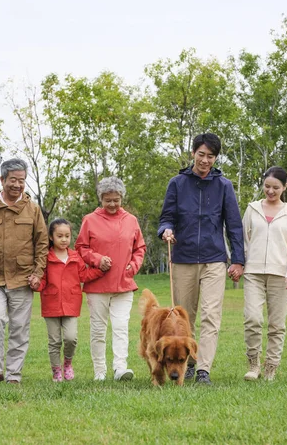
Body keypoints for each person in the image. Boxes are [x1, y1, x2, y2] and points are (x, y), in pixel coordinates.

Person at [158, 132, 245, 385]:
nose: (205, 161)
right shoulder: (177, 183)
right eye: (201, 155)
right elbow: (166, 217)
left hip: (214, 259)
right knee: (185, 319)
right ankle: (191, 360)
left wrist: (237, 260)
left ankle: (203, 369)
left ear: (216, 158)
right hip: (183, 258)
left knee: (211, 314)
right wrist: (166, 230)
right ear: (193, 153)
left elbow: (234, 226)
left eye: (211, 156)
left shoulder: (224, 186)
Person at [0, 158, 48, 384]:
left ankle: (14, 374)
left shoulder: (33, 210)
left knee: (19, 327)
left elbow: (42, 243)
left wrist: (38, 272)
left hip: (23, 278)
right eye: (13, 180)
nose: (17, 185)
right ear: (2, 180)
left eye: (22, 180)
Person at [75, 176, 147, 382]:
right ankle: (99, 371)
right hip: (97, 284)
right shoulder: (90, 220)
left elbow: (139, 248)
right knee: (98, 330)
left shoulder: (131, 220)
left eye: (116, 199)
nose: (113, 204)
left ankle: (120, 368)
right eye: (108, 200)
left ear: (122, 198)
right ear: (101, 199)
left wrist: (134, 265)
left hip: (123, 284)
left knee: (120, 326)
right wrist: (97, 260)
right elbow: (81, 248)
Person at [242, 166, 287, 381]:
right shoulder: (252, 209)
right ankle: (253, 364)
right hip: (254, 272)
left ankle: (271, 367)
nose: (270, 191)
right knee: (252, 318)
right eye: (267, 186)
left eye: (275, 187)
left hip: (280, 274)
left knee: (277, 324)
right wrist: (241, 263)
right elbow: (243, 239)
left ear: (284, 187)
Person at [35, 218, 104, 382]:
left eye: (67, 236)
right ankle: (56, 370)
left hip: (71, 304)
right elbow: (42, 281)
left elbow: (84, 275)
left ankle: (67, 363)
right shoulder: (46, 258)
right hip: (51, 305)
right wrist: (36, 284)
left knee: (71, 338)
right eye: (60, 236)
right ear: (51, 237)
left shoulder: (75, 257)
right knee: (54, 341)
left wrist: (100, 269)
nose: (64, 239)